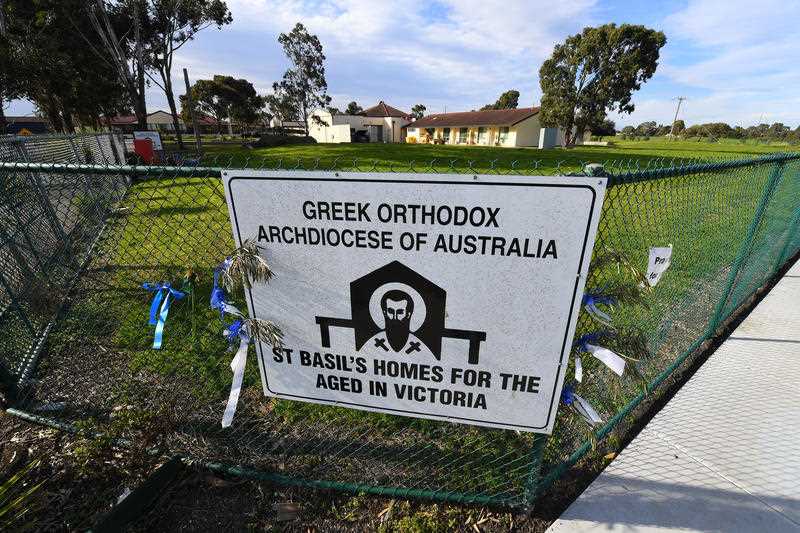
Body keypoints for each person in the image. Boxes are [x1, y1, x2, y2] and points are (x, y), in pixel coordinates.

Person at [365, 289, 431, 357]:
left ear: (408, 314)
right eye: (391, 311)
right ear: (384, 313)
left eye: (400, 312)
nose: (395, 317)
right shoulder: (371, 344)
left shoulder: (420, 346)